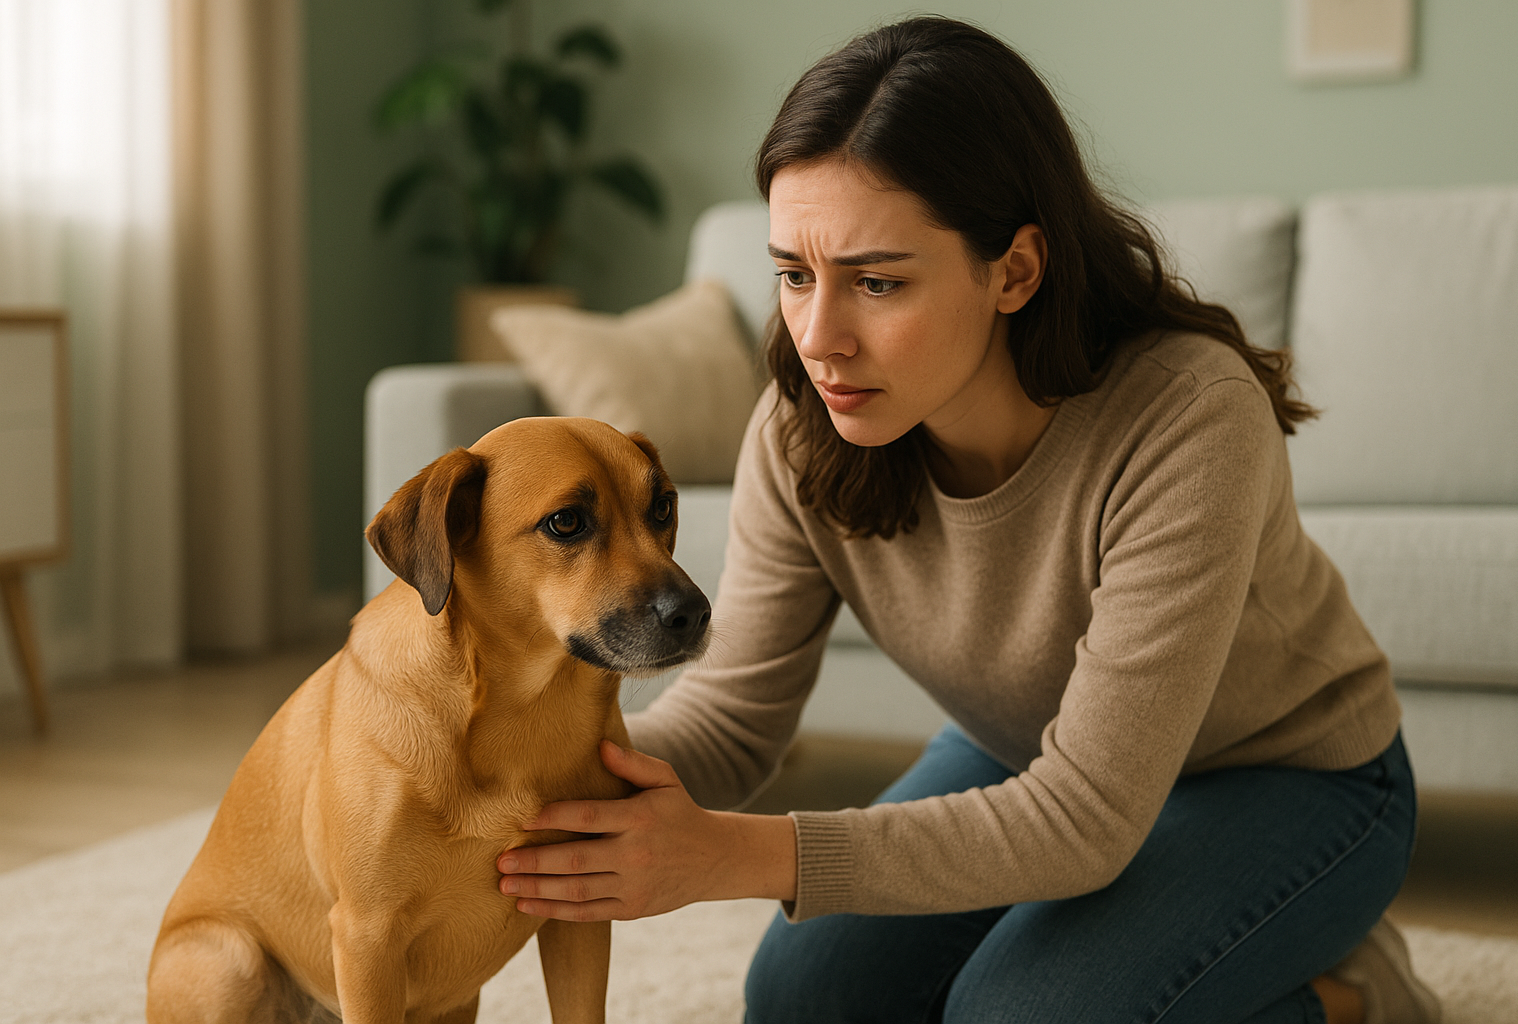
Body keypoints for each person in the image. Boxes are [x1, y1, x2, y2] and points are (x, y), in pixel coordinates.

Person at [493, 17, 1442, 1024]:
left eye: (876, 280)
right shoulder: (802, 428)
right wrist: (534, 785)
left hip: (1296, 780)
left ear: (1015, 271)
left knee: (1014, 1014)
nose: (818, 338)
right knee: (804, 998)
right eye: (793, 274)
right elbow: (735, 713)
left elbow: (1083, 819)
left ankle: (1347, 996)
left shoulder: (1188, 415)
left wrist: (734, 853)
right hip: (1033, 748)